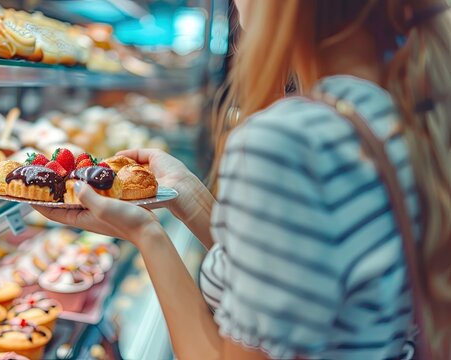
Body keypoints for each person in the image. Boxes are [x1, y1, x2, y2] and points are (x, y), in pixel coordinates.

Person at [34, 0, 451, 359]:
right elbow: (289, 277)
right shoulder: (399, 112)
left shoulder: (288, 140)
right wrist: (189, 197)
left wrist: (146, 234)